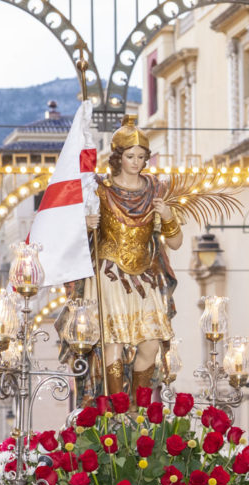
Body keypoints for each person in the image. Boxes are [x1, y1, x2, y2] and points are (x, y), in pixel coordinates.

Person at [80, 115, 184, 396]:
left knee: (151, 343)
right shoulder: (100, 190)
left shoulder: (156, 189)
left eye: (141, 156)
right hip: (110, 271)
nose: (136, 162)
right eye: (130, 156)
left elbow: (175, 243)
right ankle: (117, 411)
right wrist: (86, 226)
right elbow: (75, 238)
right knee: (112, 341)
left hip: (145, 273)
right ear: (118, 158)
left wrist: (169, 217)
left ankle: (140, 409)